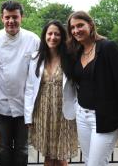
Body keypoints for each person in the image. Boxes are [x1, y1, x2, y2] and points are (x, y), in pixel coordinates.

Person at [67, 11, 118, 166]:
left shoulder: (108, 47)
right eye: (73, 27)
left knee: (95, 164)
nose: (76, 30)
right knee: (89, 160)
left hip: (105, 118)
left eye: (80, 25)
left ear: (90, 25)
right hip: (82, 116)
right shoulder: (77, 52)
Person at [0, 0, 40, 166]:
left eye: (15, 17)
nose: (11, 21)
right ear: (2, 18)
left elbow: (37, 73)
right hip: (2, 104)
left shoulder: (33, 40)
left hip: (25, 104)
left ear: (21, 17)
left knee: (22, 148)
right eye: (7, 17)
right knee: (4, 147)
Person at [24, 20, 78, 166]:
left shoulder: (70, 57)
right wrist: (28, 116)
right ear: (44, 36)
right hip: (42, 111)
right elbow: (30, 88)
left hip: (63, 113)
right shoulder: (36, 57)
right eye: (50, 33)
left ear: (62, 37)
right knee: (48, 156)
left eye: (57, 34)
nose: (52, 37)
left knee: (60, 157)